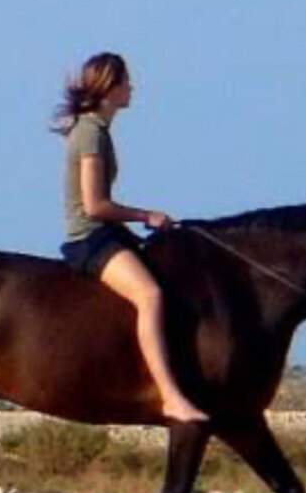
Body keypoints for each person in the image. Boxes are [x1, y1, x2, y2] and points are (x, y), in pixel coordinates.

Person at [53, 52, 207, 423]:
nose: (132, 87)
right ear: (110, 87)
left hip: (107, 232)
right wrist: (146, 216)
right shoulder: (90, 133)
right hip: (89, 238)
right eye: (126, 81)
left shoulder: (98, 129)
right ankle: (169, 396)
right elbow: (94, 205)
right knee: (149, 295)